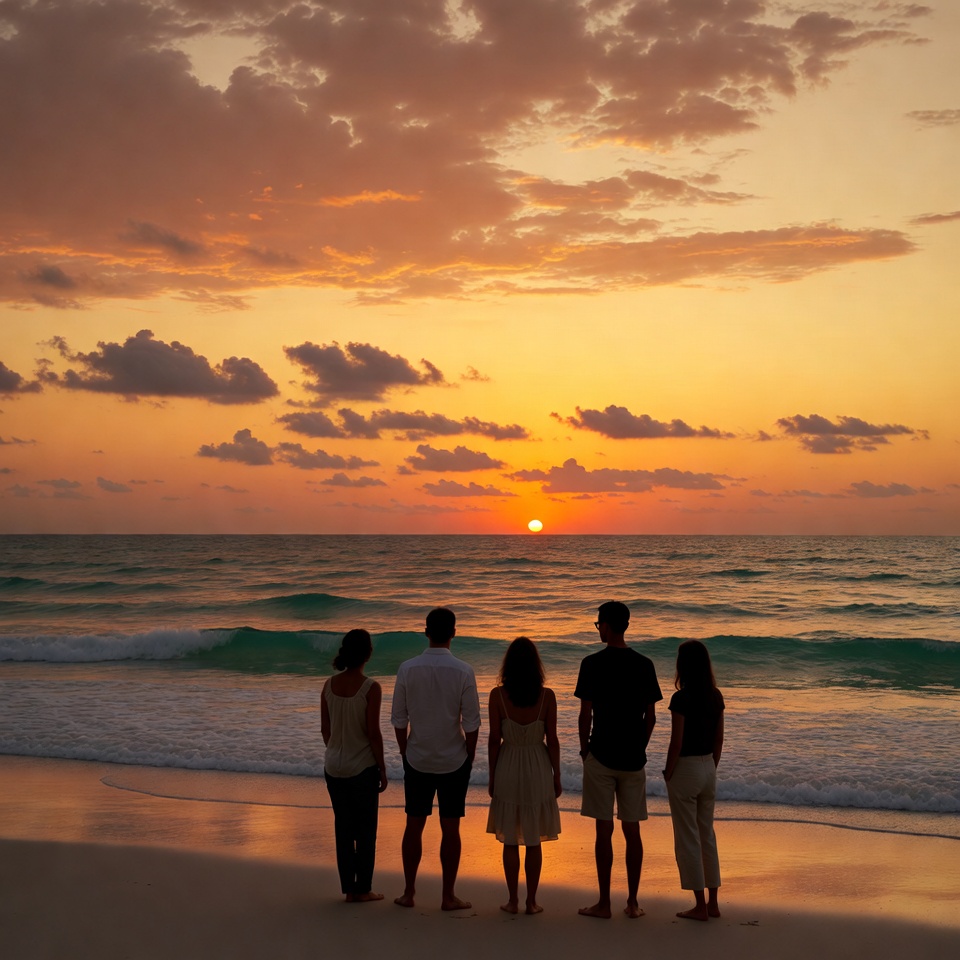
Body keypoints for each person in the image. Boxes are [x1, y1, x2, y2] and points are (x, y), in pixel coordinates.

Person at [574, 600, 662, 919]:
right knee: (632, 829)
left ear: (608, 626)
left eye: (599, 624)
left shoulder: (592, 663)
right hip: (632, 758)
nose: (599, 629)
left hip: (601, 754)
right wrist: (639, 746)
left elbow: (586, 715)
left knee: (603, 830)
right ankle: (633, 902)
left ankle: (603, 903)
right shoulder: (644, 664)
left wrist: (585, 750)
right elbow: (650, 718)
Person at [391, 607, 481, 910]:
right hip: (454, 759)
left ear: (426, 631)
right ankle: (447, 896)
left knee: (413, 825)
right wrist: (469, 757)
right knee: (450, 828)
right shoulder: (463, 671)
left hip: (417, 757)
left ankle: (409, 892)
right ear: (454, 633)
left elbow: (399, 720)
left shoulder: (407, 668)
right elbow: (471, 723)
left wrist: (406, 752)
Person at [486, 636, 562, 915]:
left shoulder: (498, 696)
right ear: (535, 665)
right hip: (538, 765)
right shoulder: (547, 696)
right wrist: (557, 775)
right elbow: (552, 740)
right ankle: (531, 901)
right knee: (533, 838)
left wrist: (492, 774)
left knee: (509, 838)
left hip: (508, 764)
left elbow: (494, 740)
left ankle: (513, 900)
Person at [321, 628, 389, 903]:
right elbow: (373, 733)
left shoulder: (329, 685)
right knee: (365, 831)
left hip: (334, 766)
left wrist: (337, 749)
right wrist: (382, 768)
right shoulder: (370, 688)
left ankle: (349, 888)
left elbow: (326, 730)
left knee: (343, 828)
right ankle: (363, 889)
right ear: (368, 654)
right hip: (361, 767)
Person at [663, 639, 725, 921]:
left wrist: (668, 771)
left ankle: (699, 906)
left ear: (683, 666)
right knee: (707, 836)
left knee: (688, 838)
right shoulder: (715, 696)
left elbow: (676, 742)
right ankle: (713, 903)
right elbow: (718, 739)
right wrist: (712, 766)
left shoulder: (681, 699)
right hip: (708, 767)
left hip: (686, 768)